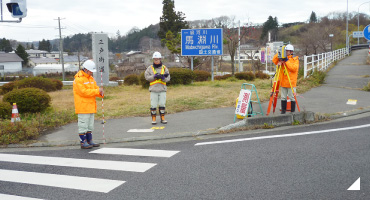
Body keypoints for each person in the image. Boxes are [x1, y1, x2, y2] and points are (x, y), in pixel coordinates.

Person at [73, 60, 104, 149]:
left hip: (90, 106)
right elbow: (83, 92)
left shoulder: (91, 79)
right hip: (83, 107)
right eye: (91, 71)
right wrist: (97, 91)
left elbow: (95, 89)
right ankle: (83, 142)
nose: (91, 73)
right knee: (83, 125)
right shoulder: (78, 79)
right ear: (86, 69)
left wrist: (100, 93)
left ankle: (90, 140)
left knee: (90, 125)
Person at [144, 51, 170, 125]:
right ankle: (154, 119)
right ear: (153, 59)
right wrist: (154, 77)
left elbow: (168, 78)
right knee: (153, 105)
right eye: (155, 59)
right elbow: (146, 77)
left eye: (157, 59)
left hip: (162, 89)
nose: (156, 60)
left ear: (160, 59)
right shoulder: (150, 68)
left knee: (162, 104)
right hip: (153, 90)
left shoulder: (165, 68)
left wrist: (162, 77)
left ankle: (162, 118)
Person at [272, 44, 299, 114]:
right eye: (285, 51)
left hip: (291, 82)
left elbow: (293, 68)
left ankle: (292, 112)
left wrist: (286, 61)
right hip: (283, 82)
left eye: (287, 51)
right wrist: (280, 53)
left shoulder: (295, 59)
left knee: (292, 97)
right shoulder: (282, 59)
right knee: (283, 97)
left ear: (291, 52)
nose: (286, 52)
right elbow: (274, 60)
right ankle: (283, 112)